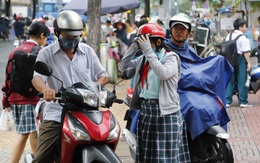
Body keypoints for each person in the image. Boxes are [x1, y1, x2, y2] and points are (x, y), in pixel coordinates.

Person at [31, 10, 109, 163]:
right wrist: (46, 90)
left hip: (87, 109)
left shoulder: (87, 51)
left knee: (106, 137)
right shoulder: (46, 54)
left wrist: (95, 87)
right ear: (58, 33)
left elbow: (103, 75)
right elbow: (37, 79)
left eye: (76, 36)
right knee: (42, 158)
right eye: (68, 36)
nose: (72, 40)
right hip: (57, 111)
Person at [119, 23, 191, 162]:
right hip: (147, 111)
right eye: (142, 42)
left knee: (165, 157)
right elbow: (123, 68)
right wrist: (133, 48)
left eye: (147, 41)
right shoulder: (143, 59)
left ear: (159, 41)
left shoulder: (171, 57)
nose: (144, 46)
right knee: (148, 156)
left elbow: (162, 73)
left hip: (165, 113)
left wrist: (148, 51)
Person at [163, 13, 232, 142]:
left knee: (215, 103)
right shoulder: (163, 50)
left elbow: (198, 67)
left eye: (182, 29)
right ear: (170, 30)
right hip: (175, 92)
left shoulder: (190, 50)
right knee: (194, 108)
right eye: (176, 28)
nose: (179, 31)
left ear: (188, 33)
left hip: (194, 90)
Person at [1, 21, 50, 163]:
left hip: (17, 99)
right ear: (41, 35)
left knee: (32, 131)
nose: (45, 40)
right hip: (32, 100)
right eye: (46, 37)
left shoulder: (15, 51)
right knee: (24, 134)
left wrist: (6, 100)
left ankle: (37, 159)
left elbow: (8, 77)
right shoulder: (41, 53)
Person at [225, 18, 252, 108]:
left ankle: (227, 101)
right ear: (240, 27)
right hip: (241, 60)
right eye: (245, 26)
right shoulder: (243, 37)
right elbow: (246, 52)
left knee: (230, 81)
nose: (246, 28)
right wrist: (249, 63)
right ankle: (243, 101)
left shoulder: (229, 35)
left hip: (229, 60)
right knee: (242, 80)